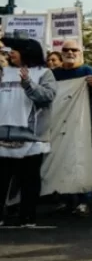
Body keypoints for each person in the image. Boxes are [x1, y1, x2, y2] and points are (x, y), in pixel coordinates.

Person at [0, 37, 57, 228]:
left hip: (31, 137)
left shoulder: (44, 73)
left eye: (14, 50)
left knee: (29, 180)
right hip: (3, 135)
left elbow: (48, 97)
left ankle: (27, 217)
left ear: (26, 51)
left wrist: (28, 83)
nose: (10, 53)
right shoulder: (4, 72)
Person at [51, 39, 92, 217]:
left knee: (81, 160)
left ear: (80, 52)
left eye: (74, 49)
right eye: (66, 49)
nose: (70, 52)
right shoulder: (54, 74)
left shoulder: (87, 71)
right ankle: (66, 200)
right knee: (62, 160)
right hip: (60, 124)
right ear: (62, 52)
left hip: (82, 124)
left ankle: (84, 201)